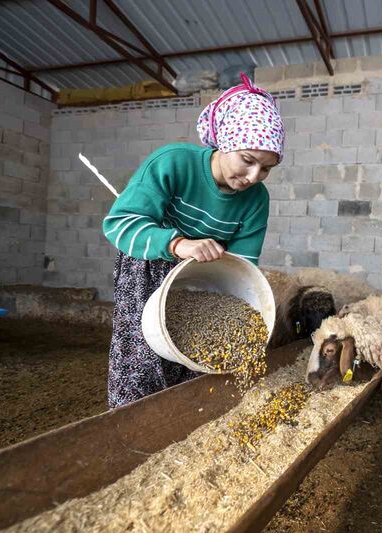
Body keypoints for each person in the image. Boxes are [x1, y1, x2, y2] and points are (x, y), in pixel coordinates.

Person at [101, 74, 285, 408]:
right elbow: (119, 224)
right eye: (247, 159)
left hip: (204, 283)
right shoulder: (173, 163)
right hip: (147, 268)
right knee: (142, 359)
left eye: (266, 168)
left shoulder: (256, 200)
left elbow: (242, 269)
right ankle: (130, 426)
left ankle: (183, 424)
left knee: (199, 361)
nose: (253, 177)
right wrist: (177, 244)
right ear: (226, 141)